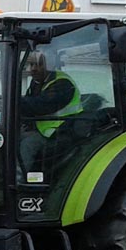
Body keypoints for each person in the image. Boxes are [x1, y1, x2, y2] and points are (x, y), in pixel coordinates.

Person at [19, 50, 82, 179]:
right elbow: (27, 105)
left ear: (49, 64)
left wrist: (12, 100)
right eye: (30, 65)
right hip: (45, 130)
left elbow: (39, 106)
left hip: (63, 131)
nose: (33, 69)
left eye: (39, 64)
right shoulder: (36, 83)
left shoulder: (62, 83)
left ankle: (18, 183)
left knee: (28, 145)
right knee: (10, 137)